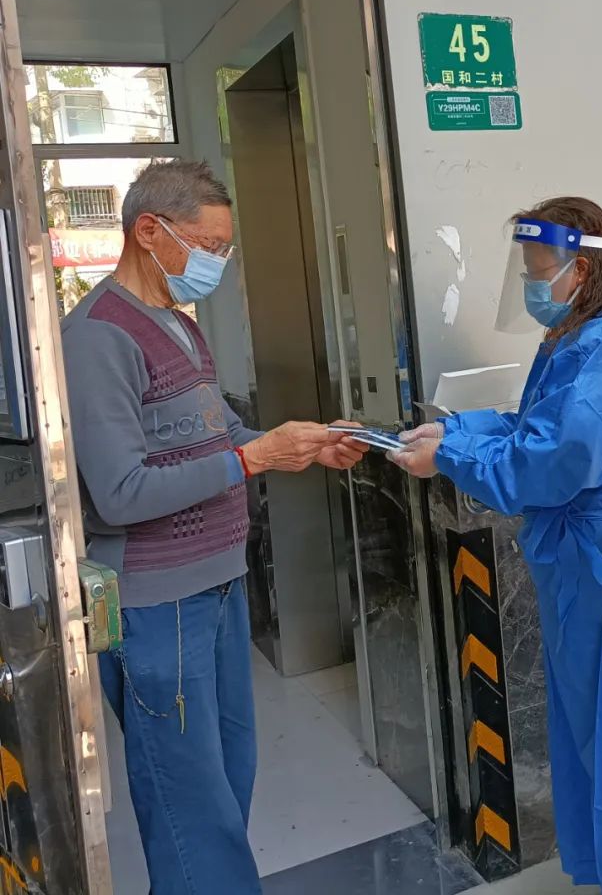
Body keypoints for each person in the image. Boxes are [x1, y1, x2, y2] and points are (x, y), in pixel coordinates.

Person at [390, 198, 602, 895]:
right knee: (598, 735)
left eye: (539, 271)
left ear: (581, 270)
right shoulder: (585, 336)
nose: (531, 285)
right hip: (588, 561)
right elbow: (535, 426)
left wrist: (451, 457)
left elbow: (554, 460)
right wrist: (455, 433)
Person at [61, 160, 368, 895]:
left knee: (228, 779)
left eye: (225, 249)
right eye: (209, 246)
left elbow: (223, 436)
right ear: (149, 231)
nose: (218, 264)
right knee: (189, 801)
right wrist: (253, 458)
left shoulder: (178, 325)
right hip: (157, 603)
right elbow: (122, 493)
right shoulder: (97, 337)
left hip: (221, 586)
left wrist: (305, 447)